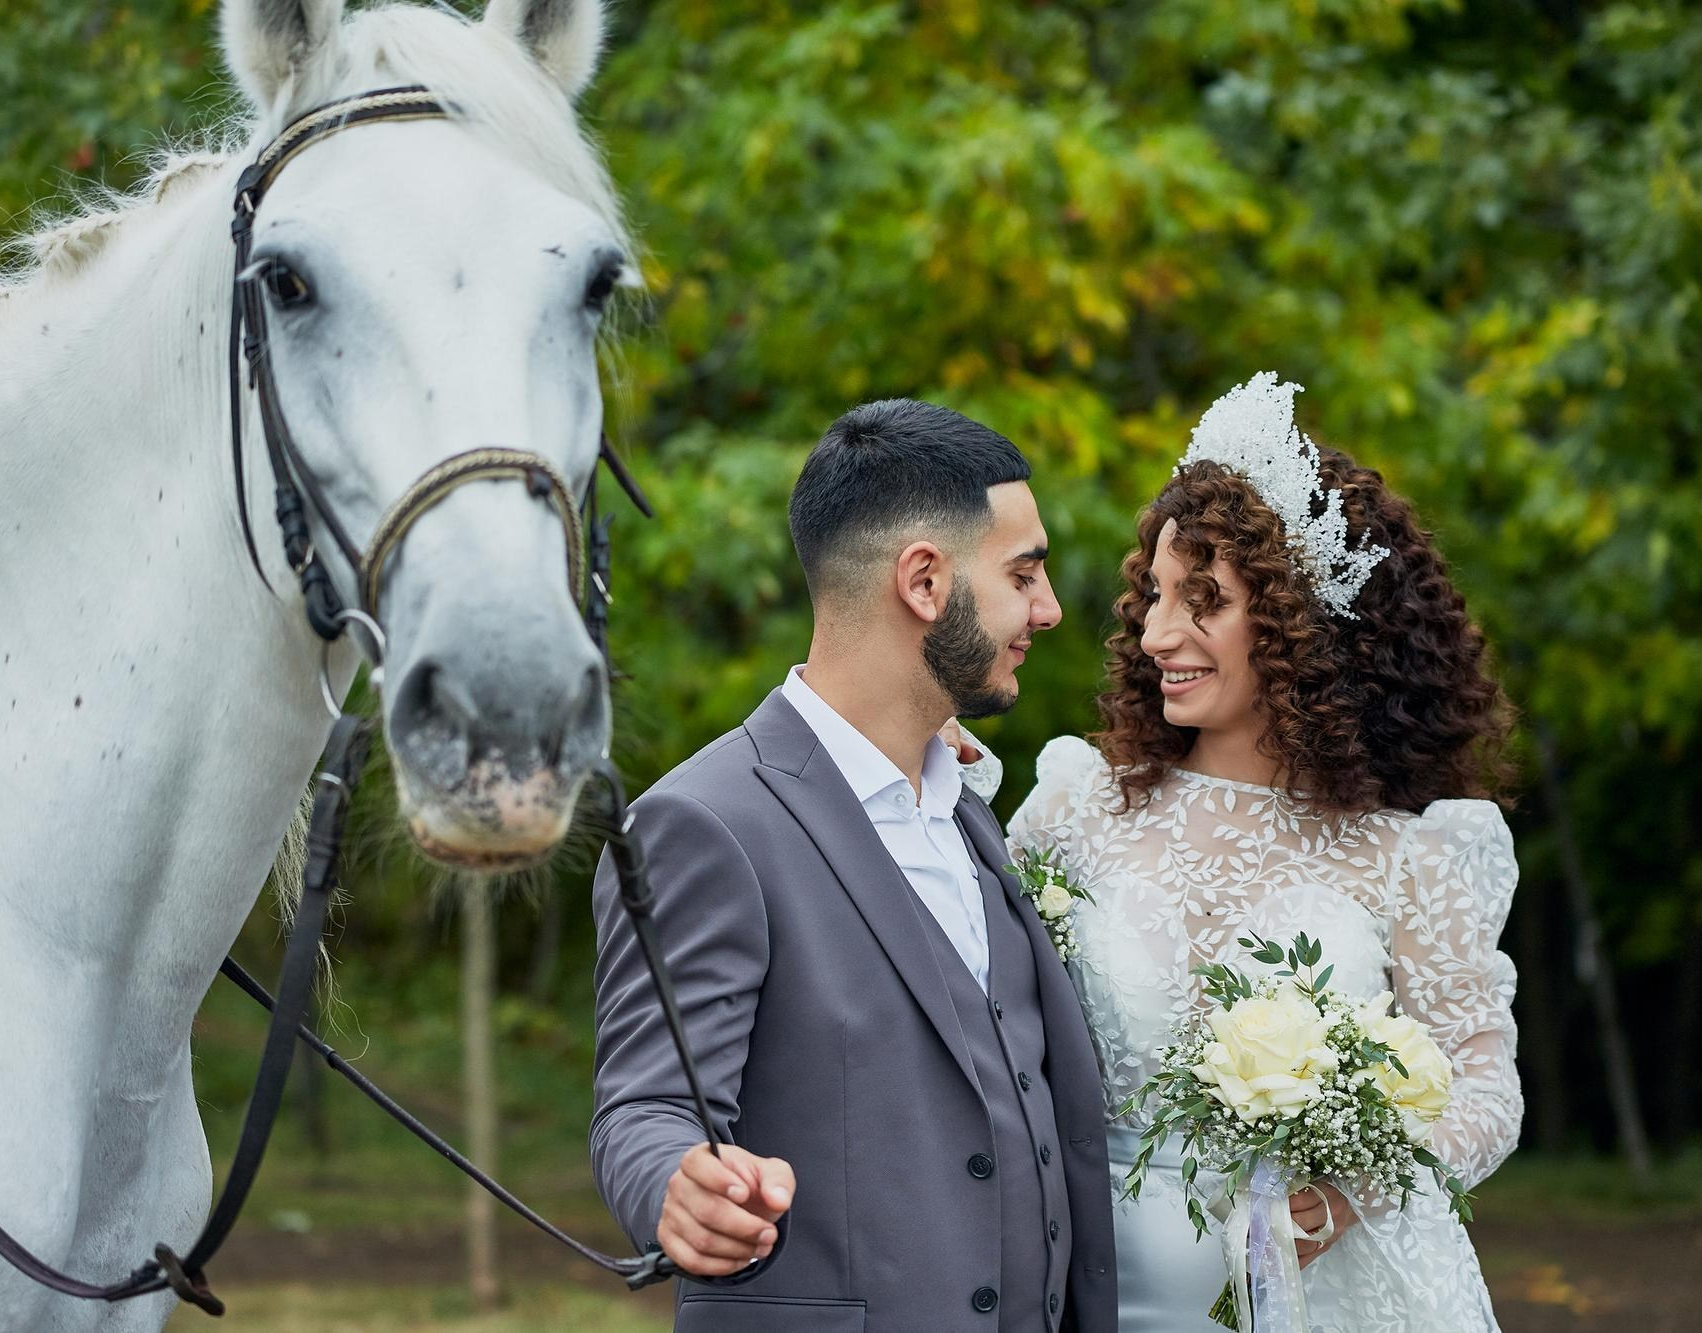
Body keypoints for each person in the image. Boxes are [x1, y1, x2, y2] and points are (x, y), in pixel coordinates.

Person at [1007, 373, 1523, 1330]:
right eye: (1155, 594)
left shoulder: (1408, 856)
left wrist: (1355, 1188)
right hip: (1088, 1285)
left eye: (1203, 600)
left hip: (1321, 1295)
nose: (1159, 632)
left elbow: (1487, 1082)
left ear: (1300, 622)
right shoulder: (1076, 806)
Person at [590, 399, 1118, 1332]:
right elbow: (647, 1107)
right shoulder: (703, 822)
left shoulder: (964, 803)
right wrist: (681, 1186)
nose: (1049, 608)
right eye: (1023, 573)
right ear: (923, 580)